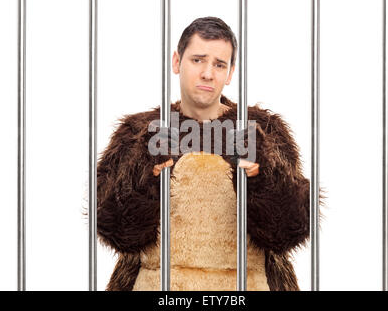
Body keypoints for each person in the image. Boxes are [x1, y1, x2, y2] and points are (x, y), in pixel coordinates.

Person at [96, 16, 321, 291]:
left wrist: (262, 176)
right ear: (177, 62)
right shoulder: (139, 132)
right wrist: (144, 177)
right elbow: (115, 230)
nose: (207, 73)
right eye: (198, 60)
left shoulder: (263, 131)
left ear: (230, 72)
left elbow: (289, 230)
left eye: (219, 64)